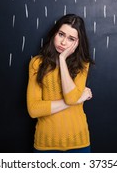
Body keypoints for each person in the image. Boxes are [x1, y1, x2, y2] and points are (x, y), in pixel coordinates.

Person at [27, 14, 94, 153]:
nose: (63, 42)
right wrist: (77, 99)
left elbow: (70, 97)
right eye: (61, 34)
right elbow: (33, 109)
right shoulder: (37, 63)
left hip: (79, 144)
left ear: (78, 43)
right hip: (45, 144)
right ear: (54, 33)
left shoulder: (82, 65)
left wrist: (62, 60)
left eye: (71, 39)